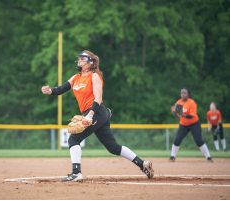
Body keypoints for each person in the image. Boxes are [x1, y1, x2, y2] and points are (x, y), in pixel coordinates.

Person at [41, 50, 154, 182]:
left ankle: (76, 173)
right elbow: (61, 89)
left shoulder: (94, 76)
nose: (79, 60)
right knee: (113, 147)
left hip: (96, 112)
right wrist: (50, 91)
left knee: (73, 140)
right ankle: (143, 164)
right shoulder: (75, 77)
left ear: (90, 62)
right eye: (79, 58)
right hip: (96, 114)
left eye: (82, 58)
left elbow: (98, 98)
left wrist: (90, 115)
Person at [170, 88, 212, 162]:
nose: (182, 94)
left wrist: (182, 114)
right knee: (177, 139)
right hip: (183, 125)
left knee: (199, 141)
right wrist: (174, 112)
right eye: (181, 93)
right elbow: (177, 117)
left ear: (188, 94)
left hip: (194, 124)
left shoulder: (192, 103)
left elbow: (192, 116)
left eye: (184, 93)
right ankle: (172, 156)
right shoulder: (179, 102)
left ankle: (208, 157)